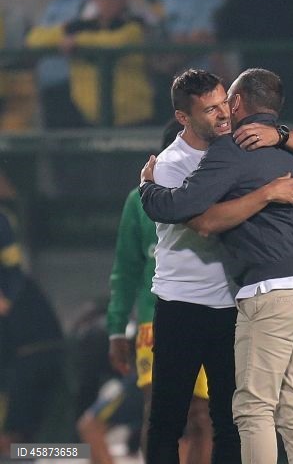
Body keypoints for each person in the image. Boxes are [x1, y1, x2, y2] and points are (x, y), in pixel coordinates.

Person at [139, 67, 293, 464]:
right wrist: (266, 193)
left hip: (234, 304)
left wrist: (281, 134)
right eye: (209, 109)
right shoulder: (172, 164)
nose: (223, 114)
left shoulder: (244, 143)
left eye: (224, 103)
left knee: (232, 419)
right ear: (183, 118)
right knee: (168, 421)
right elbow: (205, 222)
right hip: (182, 305)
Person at [77, 120, 213, 464]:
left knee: (204, 417)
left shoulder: (218, 192)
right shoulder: (138, 202)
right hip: (157, 323)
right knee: (164, 416)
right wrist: (116, 330)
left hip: (210, 319)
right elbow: (124, 272)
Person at [26, 0, 154, 127]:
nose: (108, 2)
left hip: (132, 118)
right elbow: (34, 39)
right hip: (88, 119)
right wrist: (65, 34)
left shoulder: (133, 26)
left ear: (123, 0)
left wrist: (77, 41)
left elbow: (115, 41)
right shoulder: (79, 26)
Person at [0, 209, 65, 456]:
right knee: (25, 442)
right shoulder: (19, 285)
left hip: (32, 361)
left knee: (16, 440)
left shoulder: (14, 288)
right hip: (42, 358)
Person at [25, 0, 96, 128]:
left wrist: (49, 36)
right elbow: (33, 39)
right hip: (49, 88)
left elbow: (83, 29)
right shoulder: (56, 0)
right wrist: (62, 31)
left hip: (76, 91)